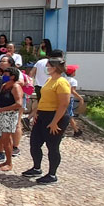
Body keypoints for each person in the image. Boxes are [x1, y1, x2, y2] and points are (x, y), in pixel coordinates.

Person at [23, 57, 71, 185]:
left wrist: (55, 122)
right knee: (35, 142)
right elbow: (43, 99)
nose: (46, 68)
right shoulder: (50, 80)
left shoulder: (62, 82)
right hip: (43, 115)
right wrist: (36, 113)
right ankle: (37, 167)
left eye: (48, 65)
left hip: (55, 116)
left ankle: (52, 174)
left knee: (52, 146)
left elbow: (63, 104)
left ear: (54, 67)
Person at [0, 66, 23, 171]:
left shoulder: (15, 87)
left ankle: (9, 163)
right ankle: (6, 160)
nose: (3, 76)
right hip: (1, 115)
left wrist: (2, 109)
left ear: (12, 76)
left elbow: (19, 103)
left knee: (7, 139)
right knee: (3, 139)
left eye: (6, 75)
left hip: (9, 115)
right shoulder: (4, 85)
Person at [66, 65, 84, 138]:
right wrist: (80, 98)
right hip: (69, 99)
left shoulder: (63, 79)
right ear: (72, 73)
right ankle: (76, 130)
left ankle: (76, 129)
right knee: (69, 115)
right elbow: (72, 91)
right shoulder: (73, 81)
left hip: (61, 98)